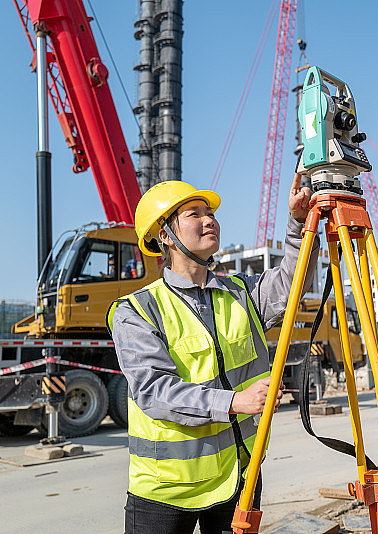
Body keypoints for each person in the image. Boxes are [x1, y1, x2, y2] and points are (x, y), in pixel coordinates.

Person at [107, 175, 318, 534]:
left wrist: (299, 224)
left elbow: (292, 283)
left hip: (239, 474)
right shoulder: (137, 311)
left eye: (210, 213)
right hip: (167, 492)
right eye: (194, 213)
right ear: (164, 235)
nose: (209, 220)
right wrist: (235, 401)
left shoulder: (239, 292)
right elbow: (155, 392)